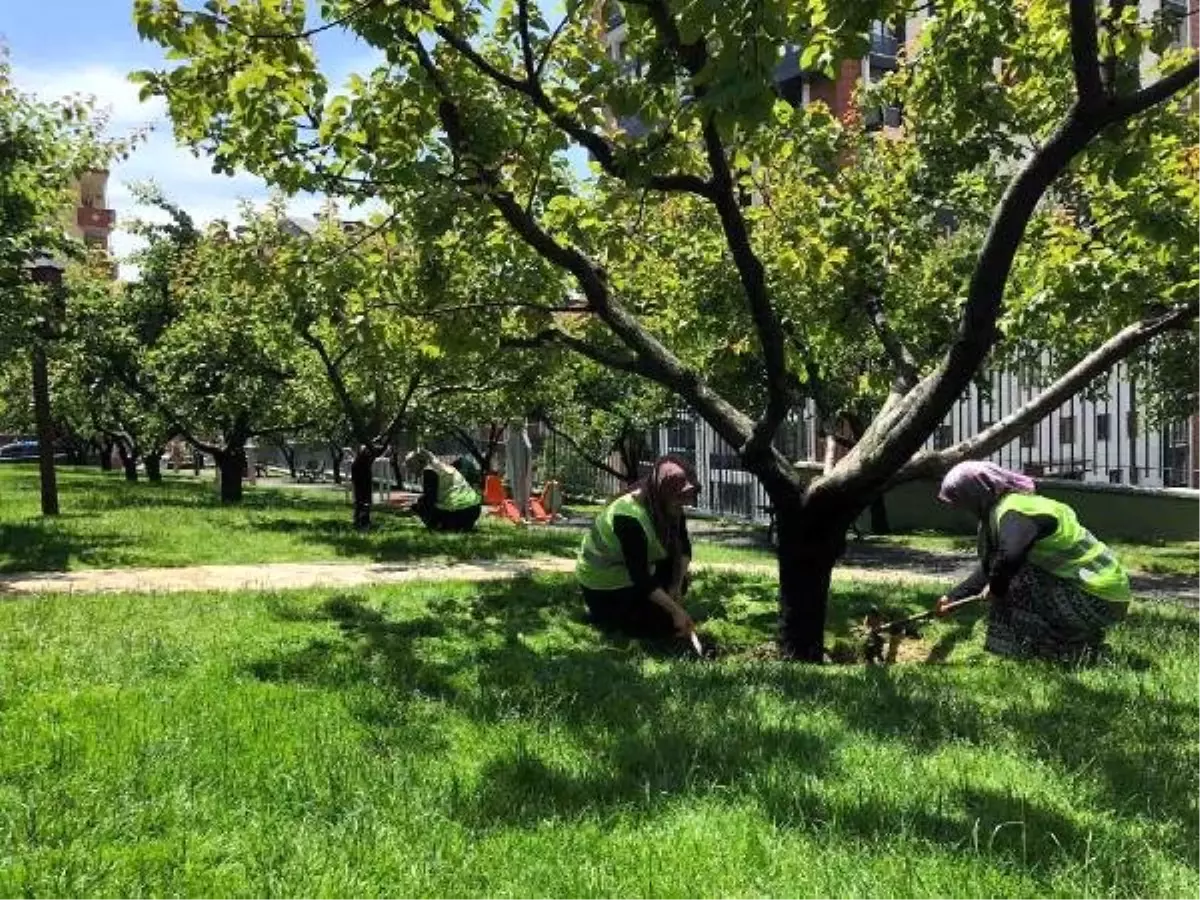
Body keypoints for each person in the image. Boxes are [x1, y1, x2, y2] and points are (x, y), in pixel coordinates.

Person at [936, 461, 1131, 662]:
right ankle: (1076, 642)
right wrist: (953, 598)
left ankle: (1063, 653)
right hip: (1107, 597)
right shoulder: (1012, 508)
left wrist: (995, 588)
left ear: (976, 494)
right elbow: (993, 565)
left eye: (961, 501)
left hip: (1096, 599)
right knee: (1003, 576)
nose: (960, 509)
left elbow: (1009, 558)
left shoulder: (1014, 511)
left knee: (1009, 580)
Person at [575, 455, 701, 640]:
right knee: (659, 628)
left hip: (628, 572)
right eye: (681, 498)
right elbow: (640, 577)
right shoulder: (628, 517)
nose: (686, 504)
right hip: (603, 584)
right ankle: (604, 615)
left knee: (676, 586)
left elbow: (683, 548)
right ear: (664, 492)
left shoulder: (666, 505)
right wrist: (675, 611)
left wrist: (676, 586)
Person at [404, 449, 483, 532]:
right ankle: (463, 526)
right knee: (423, 501)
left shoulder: (429, 471)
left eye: (411, 465)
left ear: (421, 462)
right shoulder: (443, 467)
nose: (410, 470)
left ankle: (436, 526)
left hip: (460, 512)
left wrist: (413, 508)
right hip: (474, 508)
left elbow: (429, 500)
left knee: (421, 503)